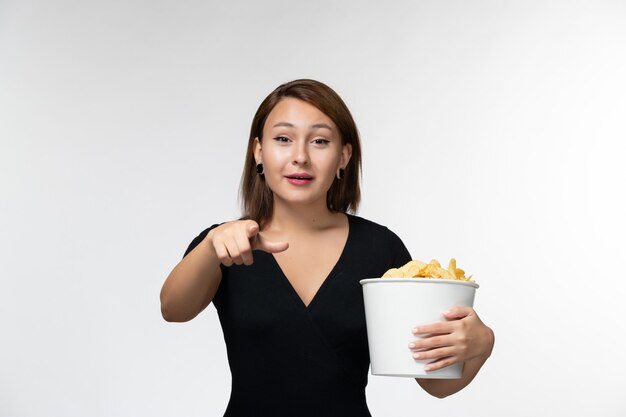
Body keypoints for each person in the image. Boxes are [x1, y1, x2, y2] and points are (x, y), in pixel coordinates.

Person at [160, 79, 495, 416]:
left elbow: (433, 382)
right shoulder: (224, 244)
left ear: (344, 156)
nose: (300, 157)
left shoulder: (381, 248)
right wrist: (209, 247)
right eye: (283, 139)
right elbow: (173, 310)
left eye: (320, 141)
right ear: (259, 151)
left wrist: (481, 345)